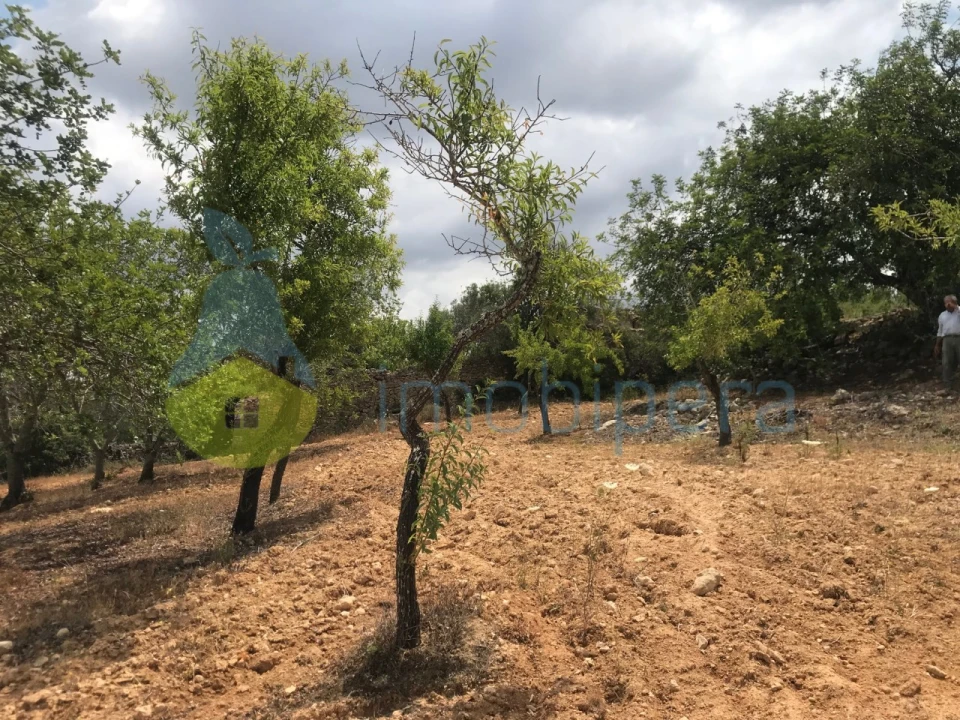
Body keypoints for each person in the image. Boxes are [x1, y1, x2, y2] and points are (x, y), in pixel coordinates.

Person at [935, 294, 960, 392]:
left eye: (949, 302)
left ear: (954, 302)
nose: (947, 305)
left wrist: (956, 307)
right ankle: (948, 385)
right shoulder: (942, 315)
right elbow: (940, 331)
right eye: (945, 303)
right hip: (947, 340)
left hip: (959, 338)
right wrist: (937, 344)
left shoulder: (959, 311)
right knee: (947, 363)